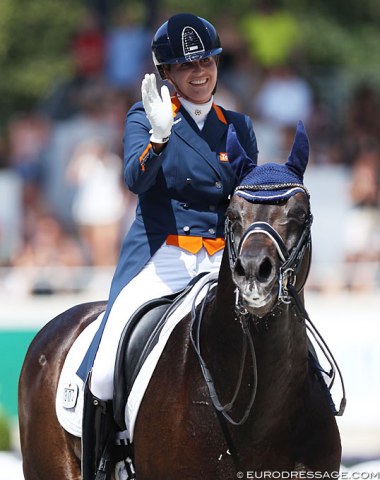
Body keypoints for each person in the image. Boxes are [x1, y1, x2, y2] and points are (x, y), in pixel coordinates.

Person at [76, 12, 259, 478]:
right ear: (167, 74)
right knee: (102, 367)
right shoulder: (147, 115)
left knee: (281, 331)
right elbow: (135, 180)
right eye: (186, 67)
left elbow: (243, 199)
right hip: (164, 256)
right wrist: (159, 138)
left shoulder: (237, 126)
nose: (201, 74)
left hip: (220, 261)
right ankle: (103, 462)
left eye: (208, 63)